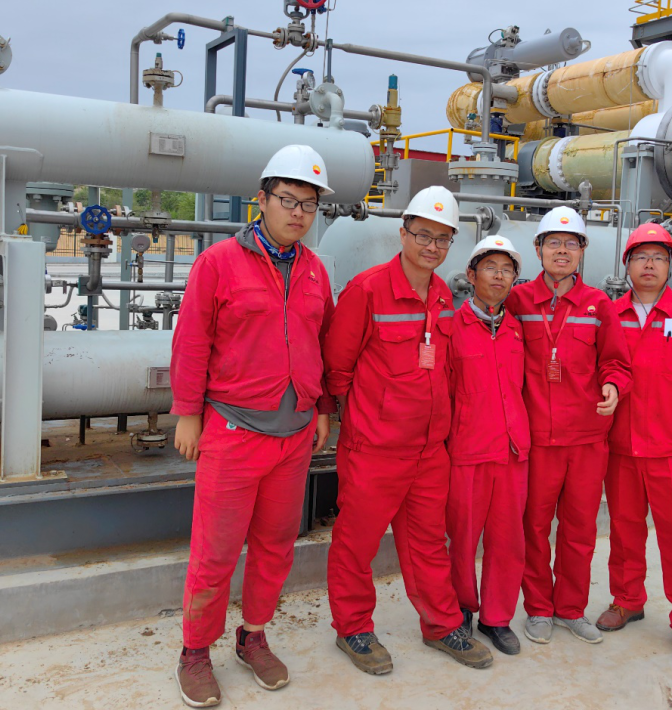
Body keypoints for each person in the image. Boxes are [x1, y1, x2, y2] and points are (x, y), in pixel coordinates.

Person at [169, 144, 337, 707]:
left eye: (309, 205)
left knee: (275, 546)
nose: (299, 213)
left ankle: (254, 636)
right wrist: (188, 413)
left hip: (294, 436)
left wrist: (322, 408)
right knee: (216, 551)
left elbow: (321, 344)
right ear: (261, 200)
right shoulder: (219, 263)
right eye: (289, 200)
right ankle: (195, 652)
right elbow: (192, 340)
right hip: (233, 430)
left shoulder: (314, 270)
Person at [324, 186, 493, 675]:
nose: (432, 247)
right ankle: (353, 629)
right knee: (356, 543)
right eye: (423, 235)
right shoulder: (367, 290)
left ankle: (441, 625)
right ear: (403, 234)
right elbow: (337, 367)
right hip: (375, 449)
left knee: (428, 544)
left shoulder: (442, 295)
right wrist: (360, 419)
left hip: (429, 450)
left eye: (443, 239)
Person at [507, 206, 632, 647]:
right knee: (534, 529)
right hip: (537, 440)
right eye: (554, 243)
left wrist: (614, 385)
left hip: (587, 440)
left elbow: (616, 361)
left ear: (582, 251)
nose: (562, 251)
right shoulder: (518, 302)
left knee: (579, 530)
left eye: (571, 243)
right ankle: (539, 608)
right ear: (538, 248)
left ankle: (571, 609)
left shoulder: (599, 305)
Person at [595, 223, 672, 669]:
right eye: (641, 257)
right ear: (627, 265)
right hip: (621, 445)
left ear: (671, 266)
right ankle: (627, 599)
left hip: (671, 448)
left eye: (659, 257)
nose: (649, 265)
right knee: (624, 528)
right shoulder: (610, 316)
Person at [446, 235, 531, 656]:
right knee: (462, 537)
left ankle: (496, 617)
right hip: (468, 449)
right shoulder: (451, 327)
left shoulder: (517, 330)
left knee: (508, 539)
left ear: (515, 279)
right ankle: (460, 609)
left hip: (513, 451)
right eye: (490, 267)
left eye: (507, 269)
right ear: (471, 274)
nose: (499, 276)